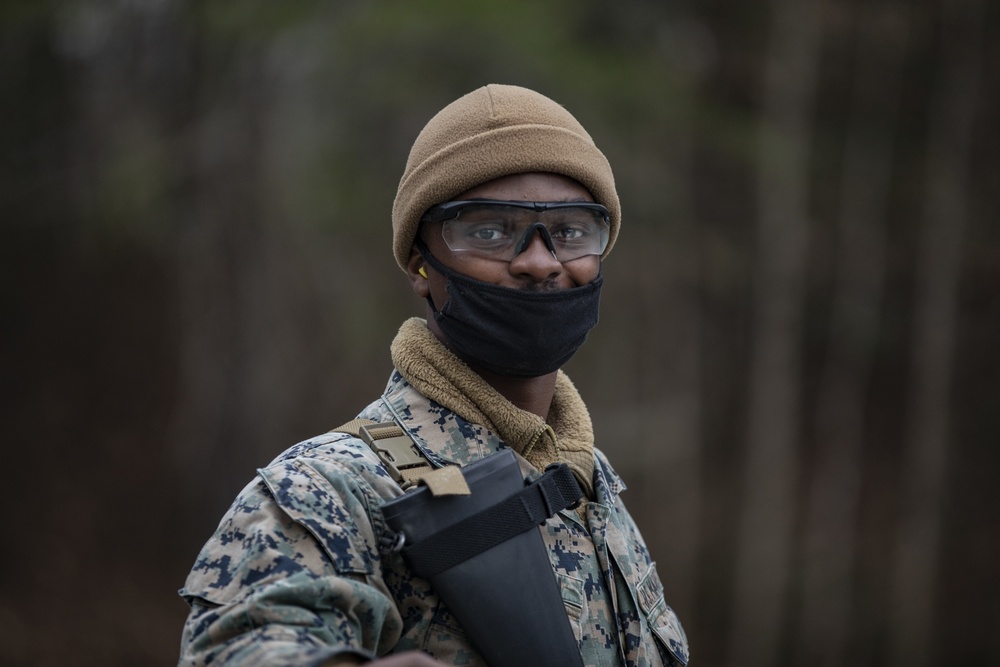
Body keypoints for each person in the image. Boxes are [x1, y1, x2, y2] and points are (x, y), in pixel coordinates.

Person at [178, 84, 689, 666]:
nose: (541, 261)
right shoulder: (330, 490)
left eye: (571, 231)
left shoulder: (590, 483)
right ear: (421, 263)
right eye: (491, 232)